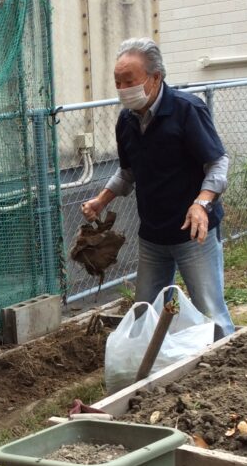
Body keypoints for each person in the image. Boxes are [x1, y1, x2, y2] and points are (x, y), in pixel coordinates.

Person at [82, 37, 234, 338]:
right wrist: (101, 200)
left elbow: (217, 163)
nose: (124, 89)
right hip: (152, 236)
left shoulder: (187, 110)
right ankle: (152, 374)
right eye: (118, 82)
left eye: (130, 80)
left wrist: (201, 204)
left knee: (210, 312)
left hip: (194, 235)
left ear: (155, 77)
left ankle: (224, 373)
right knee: (144, 312)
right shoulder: (126, 121)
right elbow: (128, 173)